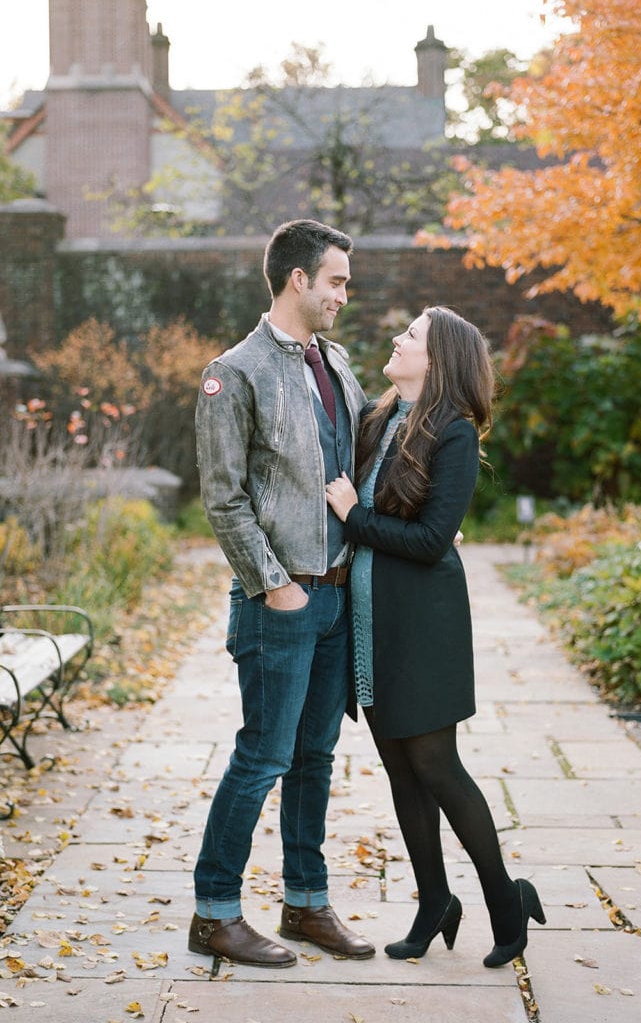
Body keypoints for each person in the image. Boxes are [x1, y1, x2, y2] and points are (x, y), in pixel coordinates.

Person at [325, 306, 546, 966]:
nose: (397, 338)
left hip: (423, 625)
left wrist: (352, 515)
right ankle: (434, 901)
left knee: (435, 766)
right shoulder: (377, 418)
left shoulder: (452, 434)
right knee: (399, 770)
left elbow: (425, 543)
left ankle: (505, 898)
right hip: (371, 622)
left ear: (439, 357)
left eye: (411, 334)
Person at [190, 219, 373, 968]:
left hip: (338, 599)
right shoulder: (233, 371)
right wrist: (273, 587)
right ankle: (215, 913)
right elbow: (223, 498)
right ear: (297, 278)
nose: (342, 296)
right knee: (262, 757)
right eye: (335, 282)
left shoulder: (335, 361)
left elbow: (362, 458)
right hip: (281, 602)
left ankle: (305, 903)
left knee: (314, 759)